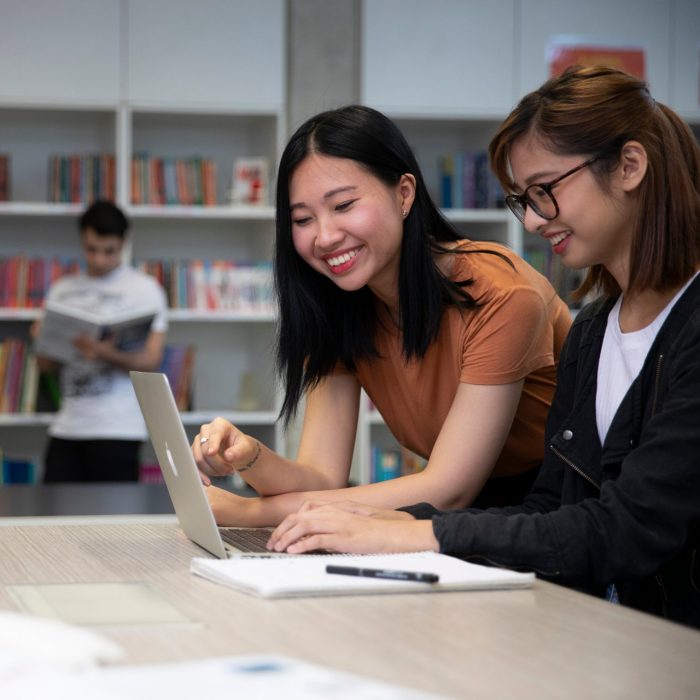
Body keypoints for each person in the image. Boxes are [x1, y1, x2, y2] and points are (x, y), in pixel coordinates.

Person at [267, 67, 700, 629]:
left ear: (630, 166)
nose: (538, 218)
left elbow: (622, 529)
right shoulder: (594, 332)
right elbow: (554, 512)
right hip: (613, 628)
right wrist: (387, 529)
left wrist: (408, 531)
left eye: (545, 190)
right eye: (524, 199)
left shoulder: (676, 324)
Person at [194, 105, 571, 526]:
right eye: (302, 219)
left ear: (404, 193)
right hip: (456, 516)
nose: (325, 236)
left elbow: (449, 488)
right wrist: (248, 457)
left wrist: (249, 512)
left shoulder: (500, 294)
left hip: (557, 507)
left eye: (344, 205)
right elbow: (321, 476)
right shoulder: (341, 305)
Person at [35, 200, 169, 482]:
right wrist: (43, 339)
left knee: (113, 521)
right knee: (54, 520)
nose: (99, 259)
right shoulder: (62, 290)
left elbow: (151, 360)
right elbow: (46, 366)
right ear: (83, 241)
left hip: (118, 430)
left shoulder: (145, 290)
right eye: (91, 250)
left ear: (123, 243)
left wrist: (105, 353)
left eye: (109, 251)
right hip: (67, 428)